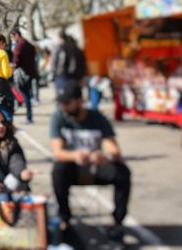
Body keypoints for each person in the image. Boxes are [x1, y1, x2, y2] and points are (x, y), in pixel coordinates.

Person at [50, 80, 131, 243]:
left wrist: (103, 157)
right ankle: (65, 218)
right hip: (72, 167)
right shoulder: (59, 117)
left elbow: (115, 151)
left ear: (80, 101)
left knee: (122, 172)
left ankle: (118, 222)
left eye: (67, 102)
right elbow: (58, 152)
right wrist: (76, 156)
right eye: (61, 103)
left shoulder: (97, 118)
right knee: (58, 170)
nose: (64, 107)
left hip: (96, 167)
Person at [11, 29, 38, 125]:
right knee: (27, 94)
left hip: (23, 74)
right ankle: (29, 116)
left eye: (13, 37)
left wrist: (12, 67)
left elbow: (16, 60)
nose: (13, 39)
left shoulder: (19, 45)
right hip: (30, 72)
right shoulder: (28, 44)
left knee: (25, 95)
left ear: (17, 35)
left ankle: (29, 117)